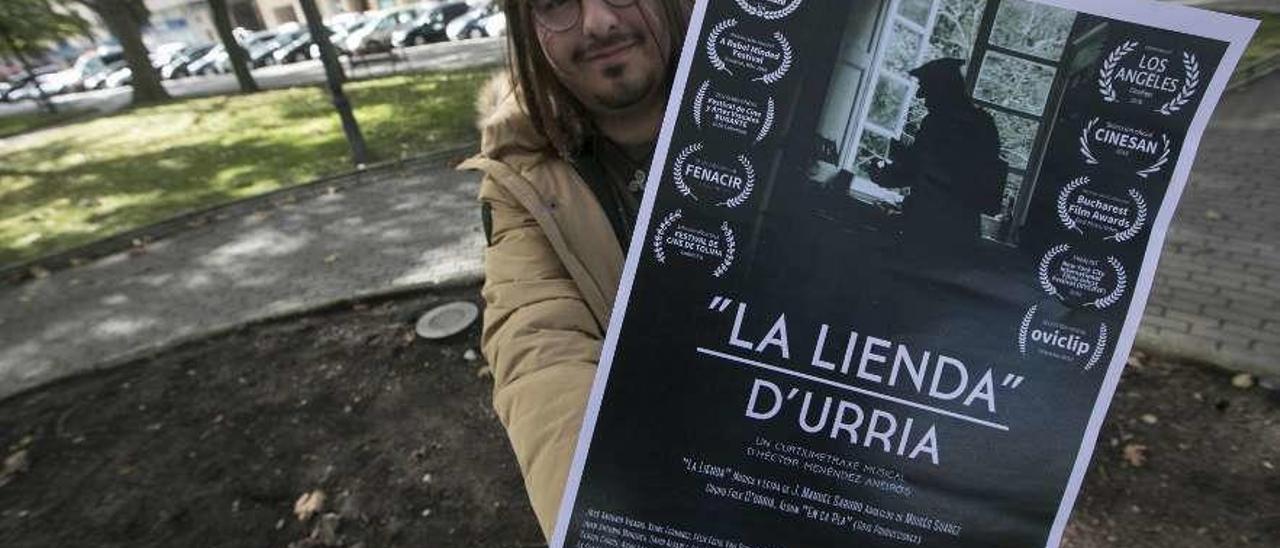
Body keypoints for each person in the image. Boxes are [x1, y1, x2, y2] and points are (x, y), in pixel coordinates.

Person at [456, 0, 692, 539]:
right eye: (555, 3)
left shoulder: (773, 99)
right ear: (526, 27)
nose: (598, 22)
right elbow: (539, 349)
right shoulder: (520, 173)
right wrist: (607, 523)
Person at [870, 57, 1005, 248]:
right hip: (962, 232)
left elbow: (917, 171)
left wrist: (883, 176)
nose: (922, 98)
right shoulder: (984, 124)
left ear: (943, 91)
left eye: (928, 92)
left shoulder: (936, 124)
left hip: (928, 228)